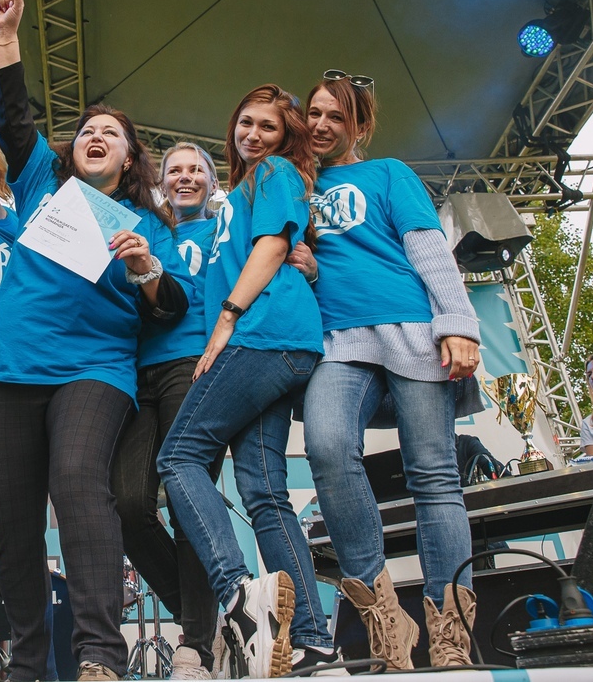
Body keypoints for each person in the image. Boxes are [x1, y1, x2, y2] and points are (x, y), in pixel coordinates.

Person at [0, 0, 190, 682]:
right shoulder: (43, 180)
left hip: (94, 370)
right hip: (8, 368)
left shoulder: (148, 223)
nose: (95, 136)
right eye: (87, 130)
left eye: (111, 134)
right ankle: (28, 664)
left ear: (129, 159)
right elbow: (14, 115)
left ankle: (99, 654)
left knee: (76, 481)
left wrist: (145, 266)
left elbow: (172, 304)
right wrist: (6, 33)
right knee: (11, 522)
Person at [157, 86, 339, 678]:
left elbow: (274, 245)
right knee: (263, 490)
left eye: (267, 126)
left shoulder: (274, 172)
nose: (253, 134)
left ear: (285, 137)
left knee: (178, 457)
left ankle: (237, 593)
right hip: (280, 345)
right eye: (246, 123)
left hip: (264, 335)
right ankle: (313, 642)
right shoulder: (237, 194)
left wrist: (228, 318)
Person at [301, 70, 480, 670]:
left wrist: (457, 322)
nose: (322, 124)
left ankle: (450, 634)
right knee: (327, 448)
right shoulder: (296, 186)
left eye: (336, 116)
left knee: (434, 475)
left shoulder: (388, 173)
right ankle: (384, 620)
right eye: (314, 113)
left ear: (360, 126)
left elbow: (427, 245)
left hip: (410, 327)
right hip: (337, 339)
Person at [112, 143, 220, 680]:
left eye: (196, 169)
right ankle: (211, 618)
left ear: (212, 182)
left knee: (186, 502)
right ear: (161, 182)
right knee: (127, 504)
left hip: (194, 364)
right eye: (175, 170)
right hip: (138, 371)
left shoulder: (223, 231)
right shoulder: (148, 228)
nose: (185, 177)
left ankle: (196, 646)